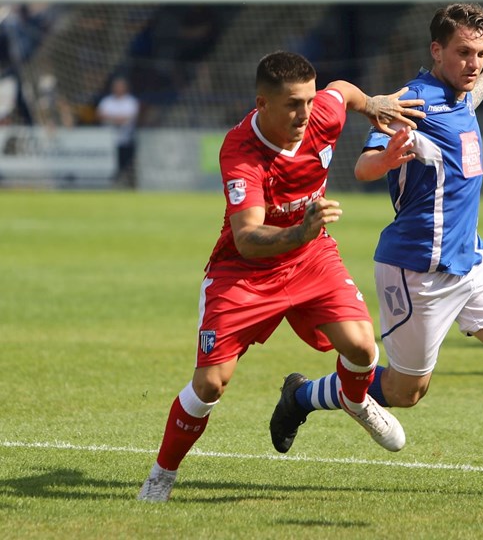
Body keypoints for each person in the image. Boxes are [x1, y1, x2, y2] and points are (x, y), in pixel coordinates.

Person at [270, 4, 483, 499]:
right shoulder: (411, 102)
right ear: (436, 50)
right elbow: (365, 166)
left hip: (471, 259)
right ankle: (302, 395)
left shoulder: (464, 95)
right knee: (405, 392)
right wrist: (387, 156)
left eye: (478, 52)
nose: (473, 62)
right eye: (462, 52)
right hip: (417, 271)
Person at [137, 51, 425, 502]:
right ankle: (162, 473)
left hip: (311, 257)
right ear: (262, 104)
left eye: (308, 100)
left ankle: (354, 400)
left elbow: (342, 92)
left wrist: (371, 104)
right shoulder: (240, 150)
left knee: (362, 346)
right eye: (292, 104)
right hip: (244, 272)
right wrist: (300, 229)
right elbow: (248, 237)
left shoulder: (320, 114)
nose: (304, 113)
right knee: (210, 384)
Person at [96, 76, 139, 187]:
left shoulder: (131, 101)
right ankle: (110, 185)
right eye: (116, 87)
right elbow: (100, 116)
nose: (119, 89)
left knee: (126, 165)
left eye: (121, 87)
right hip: (108, 141)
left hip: (125, 139)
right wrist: (117, 119)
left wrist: (111, 118)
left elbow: (128, 118)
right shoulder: (106, 101)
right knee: (110, 165)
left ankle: (128, 185)